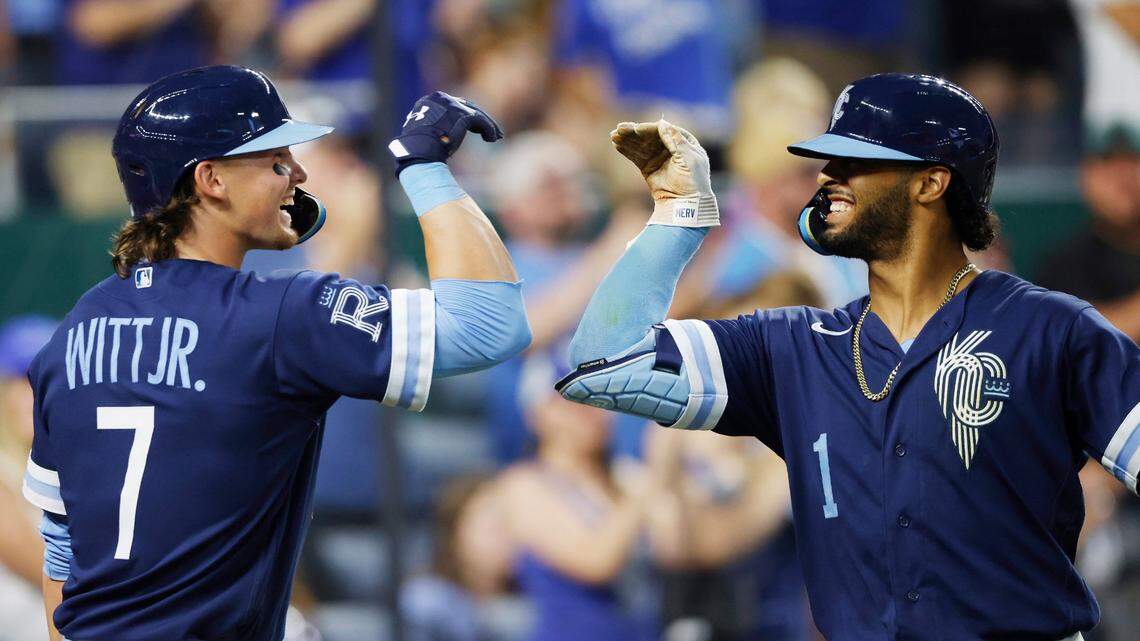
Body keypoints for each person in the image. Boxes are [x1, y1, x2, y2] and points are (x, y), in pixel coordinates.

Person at [556, 73, 1139, 640]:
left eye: (854, 161)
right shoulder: (793, 347)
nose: (827, 175)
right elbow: (606, 365)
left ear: (930, 183)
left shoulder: (1050, 330)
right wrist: (679, 215)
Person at [22, 66, 530, 641]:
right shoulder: (282, 313)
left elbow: (61, 546)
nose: (298, 174)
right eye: (275, 161)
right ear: (210, 179)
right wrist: (424, 167)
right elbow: (490, 326)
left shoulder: (73, 331)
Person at [497, 350, 660, 641]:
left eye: (597, 396)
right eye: (573, 400)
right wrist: (647, 488)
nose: (591, 409)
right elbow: (595, 561)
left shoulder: (625, 478)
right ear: (538, 414)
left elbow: (681, 549)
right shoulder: (523, 485)